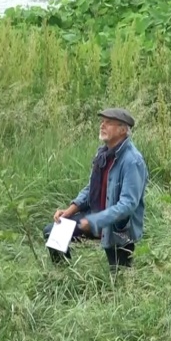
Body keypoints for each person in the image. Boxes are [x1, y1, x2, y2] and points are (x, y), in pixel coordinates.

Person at [44, 108, 148, 270]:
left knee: (119, 278)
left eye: (108, 122)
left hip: (119, 229)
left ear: (122, 130)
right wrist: (69, 211)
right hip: (94, 219)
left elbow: (128, 205)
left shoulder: (132, 161)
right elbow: (91, 188)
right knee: (53, 233)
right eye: (102, 121)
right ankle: (65, 277)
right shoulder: (103, 154)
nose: (102, 125)